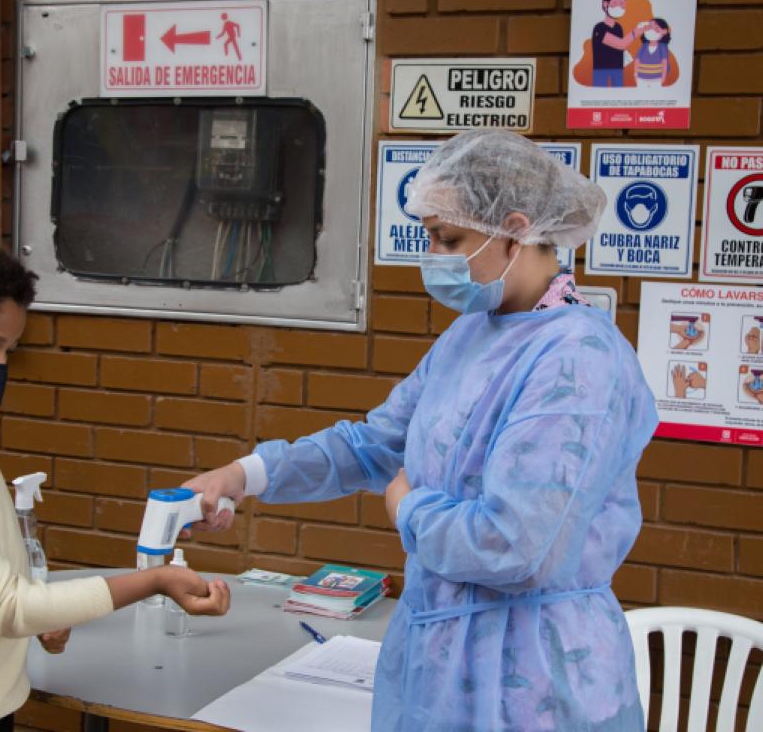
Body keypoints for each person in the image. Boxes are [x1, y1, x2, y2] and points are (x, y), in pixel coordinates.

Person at [184, 129, 659, 731]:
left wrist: (408, 509)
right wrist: (245, 475)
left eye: (448, 238)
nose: (432, 255)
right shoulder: (473, 334)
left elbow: (517, 547)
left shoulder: (580, 361)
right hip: (441, 667)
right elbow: (375, 443)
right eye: (429, 236)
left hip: (536, 682)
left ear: (514, 227)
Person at [0, 232, 230, 732]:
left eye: (10, 352)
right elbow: (4, 606)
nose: (0, 367)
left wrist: (38, 615)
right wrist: (155, 579)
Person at [592, 0, 649, 87]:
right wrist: (635, 32)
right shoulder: (599, 28)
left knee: (617, 95)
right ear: (605, 4)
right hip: (601, 70)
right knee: (600, 95)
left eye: (622, 4)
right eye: (615, 3)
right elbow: (620, 44)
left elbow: (620, 48)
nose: (619, 7)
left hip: (617, 70)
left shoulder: (618, 27)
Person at [634, 18, 671, 89]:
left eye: (656, 28)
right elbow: (637, 60)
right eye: (650, 27)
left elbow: (664, 63)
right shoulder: (644, 46)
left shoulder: (662, 47)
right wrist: (635, 75)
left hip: (656, 79)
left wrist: (663, 78)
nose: (652, 30)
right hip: (641, 78)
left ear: (664, 31)